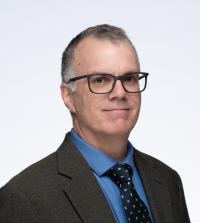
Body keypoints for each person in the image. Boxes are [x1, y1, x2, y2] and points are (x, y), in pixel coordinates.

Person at [0, 24, 190, 223]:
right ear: (68, 96)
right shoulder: (24, 197)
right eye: (100, 80)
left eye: (129, 78)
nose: (120, 92)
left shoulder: (167, 181)